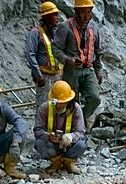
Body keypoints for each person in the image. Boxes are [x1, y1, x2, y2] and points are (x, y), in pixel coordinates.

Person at [53, 0, 102, 128]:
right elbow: (56, 49)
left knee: (95, 98)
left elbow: (97, 51)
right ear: (76, 11)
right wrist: (69, 60)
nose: (86, 16)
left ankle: (81, 120)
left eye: (89, 12)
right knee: (71, 102)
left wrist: (98, 70)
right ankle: (72, 129)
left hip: (88, 69)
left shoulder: (94, 27)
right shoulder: (65, 27)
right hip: (71, 71)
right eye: (83, 12)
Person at [34, 80, 87, 175]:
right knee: (39, 143)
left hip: (69, 144)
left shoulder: (75, 108)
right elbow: (37, 130)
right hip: (52, 143)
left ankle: (68, 163)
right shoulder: (44, 108)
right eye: (57, 102)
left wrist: (70, 137)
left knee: (81, 145)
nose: (59, 105)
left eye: (62, 102)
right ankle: (56, 162)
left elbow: (81, 132)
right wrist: (48, 136)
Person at [25, 2, 63, 107]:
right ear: (46, 17)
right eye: (54, 15)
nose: (57, 18)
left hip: (57, 75)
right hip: (44, 77)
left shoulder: (54, 33)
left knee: (57, 105)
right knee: (43, 106)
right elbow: (30, 53)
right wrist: (37, 74)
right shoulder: (35, 33)